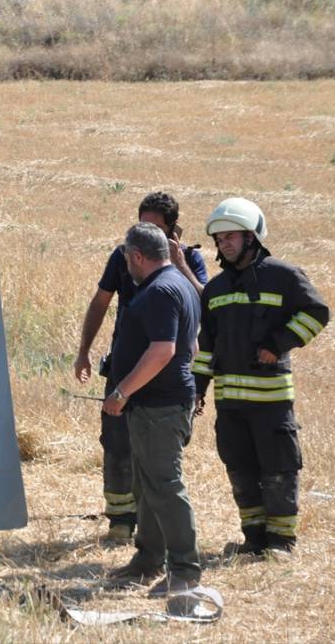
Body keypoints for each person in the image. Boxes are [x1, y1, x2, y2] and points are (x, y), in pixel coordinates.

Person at [193, 198, 329, 557]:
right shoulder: (216, 290)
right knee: (240, 471)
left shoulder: (283, 276)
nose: (224, 243)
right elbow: (206, 345)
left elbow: (317, 312)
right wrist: (198, 388)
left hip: (270, 402)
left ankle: (282, 543)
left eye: (231, 236)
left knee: (278, 469)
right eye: (219, 238)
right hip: (230, 403)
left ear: (252, 237)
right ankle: (254, 541)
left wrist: (278, 343)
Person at [74, 192, 207, 542]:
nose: (146, 236)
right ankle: (121, 522)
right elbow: (100, 302)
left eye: (156, 229)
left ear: (173, 231)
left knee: (158, 462)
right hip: (125, 367)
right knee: (118, 445)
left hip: (163, 380)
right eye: (141, 226)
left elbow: (206, 307)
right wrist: (84, 351)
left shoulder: (186, 264)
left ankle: (167, 545)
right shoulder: (124, 256)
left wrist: (179, 265)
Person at [102, 223, 202, 597]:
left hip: (159, 407)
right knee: (146, 485)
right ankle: (148, 560)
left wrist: (122, 391)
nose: (126, 264)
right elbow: (190, 346)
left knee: (164, 485)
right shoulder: (177, 284)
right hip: (153, 405)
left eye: (127, 257)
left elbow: (164, 350)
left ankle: (185, 570)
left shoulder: (160, 290)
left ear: (137, 256)